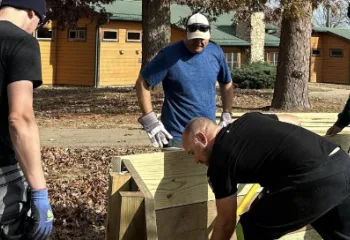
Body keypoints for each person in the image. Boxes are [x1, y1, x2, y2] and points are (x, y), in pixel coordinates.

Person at [182, 112, 350, 240]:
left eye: (192, 153)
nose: (196, 160)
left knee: (248, 230)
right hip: (341, 164)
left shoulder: (219, 162)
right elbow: (293, 120)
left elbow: (226, 223)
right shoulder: (249, 119)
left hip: (310, 179)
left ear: (201, 138)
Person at [135, 12, 233, 150]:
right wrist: (150, 120)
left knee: (205, 172)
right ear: (186, 34)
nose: (199, 42)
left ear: (209, 35)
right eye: (194, 39)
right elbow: (142, 82)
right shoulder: (169, 55)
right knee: (177, 172)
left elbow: (226, 82)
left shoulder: (215, 52)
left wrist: (227, 114)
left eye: (202, 39)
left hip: (208, 134)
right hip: (176, 135)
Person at [0, 0, 54, 239]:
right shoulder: (20, 41)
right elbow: (20, 119)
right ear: (32, 12)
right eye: (40, 23)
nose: (36, 28)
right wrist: (40, 191)